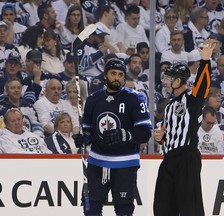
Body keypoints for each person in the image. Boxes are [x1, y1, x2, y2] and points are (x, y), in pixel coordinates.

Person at [77, 58, 152, 215]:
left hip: (125, 164)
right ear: (105, 75)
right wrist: (84, 138)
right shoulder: (92, 100)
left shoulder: (136, 99)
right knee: (90, 210)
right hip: (97, 163)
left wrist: (124, 134)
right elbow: (89, 131)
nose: (117, 78)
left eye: (120, 74)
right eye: (113, 73)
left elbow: (145, 132)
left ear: (124, 77)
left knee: (124, 211)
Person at [153, 39, 215, 216]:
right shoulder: (170, 105)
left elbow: (203, 85)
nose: (165, 82)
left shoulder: (192, 99)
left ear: (178, 80)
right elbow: (170, 133)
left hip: (187, 157)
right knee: (162, 206)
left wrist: (205, 61)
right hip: (169, 158)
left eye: (168, 78)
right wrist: (162, 137)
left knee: (190, 207)